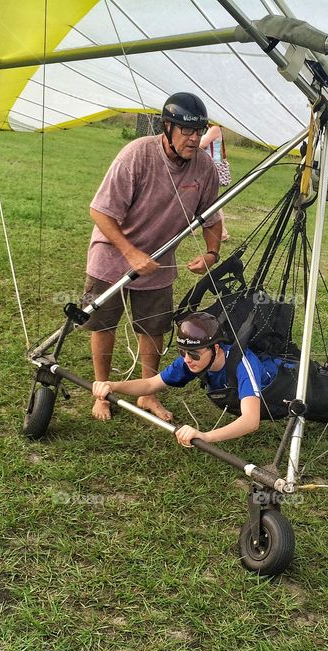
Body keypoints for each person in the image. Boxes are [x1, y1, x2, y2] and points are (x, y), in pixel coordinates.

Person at [83, 92, 222, 423]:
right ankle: (102, 391)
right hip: (112, 255)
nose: (193, 138)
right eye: (186, 131)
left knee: (154, 328)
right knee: (103, 324)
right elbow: (99, 212)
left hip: (158, 261)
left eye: (199, 131)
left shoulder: (205, 168)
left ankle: (148, 394)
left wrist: (212, 253)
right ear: (167, 127)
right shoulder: (136, 155)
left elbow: (213, 219)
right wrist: (130, 252)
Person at [91, 313, 328, 447]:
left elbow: (251, 421)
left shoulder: (242, 366)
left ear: (214, 348)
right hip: (275, 375)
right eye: (184, 354)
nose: (188, 361)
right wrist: (112, 387)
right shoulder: (194, 360)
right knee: (322, 376)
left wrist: (206, 436)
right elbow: (149, 385)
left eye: (194, 355)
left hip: (282, 383)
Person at [199, 124, 230, 242]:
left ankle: (222, 232)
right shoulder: (213, 129)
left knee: (213, 201)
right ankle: (191, 227)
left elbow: (202, 144)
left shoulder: (214, 129)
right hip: (207, 165)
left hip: (211, 167)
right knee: (199, 195)